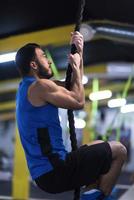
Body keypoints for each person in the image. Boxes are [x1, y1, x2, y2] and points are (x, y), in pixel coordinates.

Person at [15, 31, 127, 199]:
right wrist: (75, 66)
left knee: (99, 145)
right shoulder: (40, 87)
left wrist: (79, 53)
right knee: (120, 150)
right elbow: (78, 101)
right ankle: (96, 197)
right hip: (56, 170)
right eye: (44, 56)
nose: (49, 60)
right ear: (34, 65)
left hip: (45, 175)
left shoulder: (26, 88)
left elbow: (72, 85)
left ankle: (91, 193)